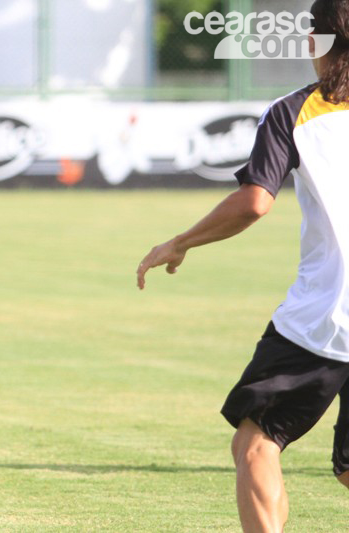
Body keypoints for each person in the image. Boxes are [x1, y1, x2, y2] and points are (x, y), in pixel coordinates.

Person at [136, 2, 349, 531]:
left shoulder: (293, 112)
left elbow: (254, 203)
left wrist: (181, 241)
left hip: (327, 317)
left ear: (313, 41)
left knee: (257, 442)